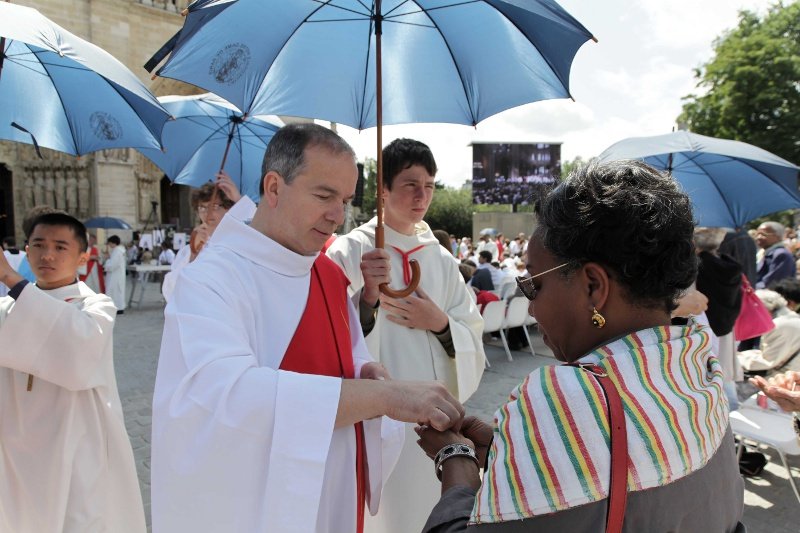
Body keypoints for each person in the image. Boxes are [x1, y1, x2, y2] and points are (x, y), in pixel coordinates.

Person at [151, 123, 465, 533]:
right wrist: (384, 396)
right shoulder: (212, 279)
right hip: (261, 508)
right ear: (274, 187)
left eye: (347, 200)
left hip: (335, 491)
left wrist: (365, 371)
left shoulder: (329, 275)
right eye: (324, 196)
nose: (338, 216)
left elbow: (353, 358)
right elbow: (225, 399)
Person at [417, 160, 744, 532]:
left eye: (534, 285)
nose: (533, 305)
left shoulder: (567, 393)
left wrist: (456, 461)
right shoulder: (696, 359)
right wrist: (512, 449)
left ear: (593, 286)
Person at [326, 137, 485, 533]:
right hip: (372, 419)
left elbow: (473, 334)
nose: (422, 196)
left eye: (430, 185)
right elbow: (330, 335)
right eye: (411, 184)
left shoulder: (442, 260)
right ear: (383, 189)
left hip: (431, 424)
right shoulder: (348, 252)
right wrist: (368, 299)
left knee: (425, 511)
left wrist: (440, 323)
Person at [0, 212, 145, 532]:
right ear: (26, 250)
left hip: (76, 447)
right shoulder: (5, 311)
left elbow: (77, 350)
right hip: (16, 453)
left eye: (60, 247)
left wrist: (11, 279)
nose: (47, 254)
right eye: (38, 245)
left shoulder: (96, 307)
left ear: (83, 256)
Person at [161, 170, 249, 302]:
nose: (207, 213)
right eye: (202, 207)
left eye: (214, 206)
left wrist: (239, 200)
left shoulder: (238, 242)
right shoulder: (189, 250)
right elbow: (170, 291)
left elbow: (259, 233)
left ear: (228, 208)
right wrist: (193, 255)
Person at [738, 289, 800, 372]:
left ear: (762, 309)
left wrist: (736, 358)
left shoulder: (779, 325)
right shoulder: (791, 319)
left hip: (787, 377)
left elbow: (766, 361)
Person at [755, 221, 796, 289]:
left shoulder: (781, 255)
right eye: (757, 234)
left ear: (777, 236)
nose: (758, 237)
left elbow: (771, 283)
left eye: (763, 234)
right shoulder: (763, 253)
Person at [104, 235, 126, 314]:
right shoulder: (117, 251)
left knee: (114, 291)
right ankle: (117, 307)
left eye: (109, 243)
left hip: (115, 276)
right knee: (116, 292)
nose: (109, 245)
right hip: (117, 275)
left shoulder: (117, 251)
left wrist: (107, 260)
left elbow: (112, 265)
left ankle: (117, 308)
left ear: (113, 243)